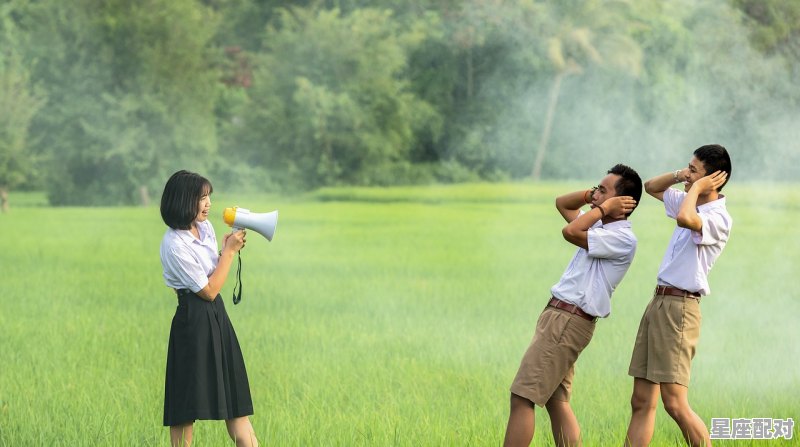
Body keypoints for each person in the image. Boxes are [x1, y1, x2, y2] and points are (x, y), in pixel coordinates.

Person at [503, 164, 643, 447]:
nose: (596, 195)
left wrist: (602, 209)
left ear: (623, 203)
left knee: (523, 396)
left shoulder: (621, 238)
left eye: (604, 190)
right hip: (561, 318)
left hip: (568, 320)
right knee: (557, 402)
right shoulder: (599, 226)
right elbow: (562, 203)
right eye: (597, 188)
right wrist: (595, 196)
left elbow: (570, 231)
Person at [624, 144, 732, 447]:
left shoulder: (717, 217)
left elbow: (685, 219)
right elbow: (651, 187)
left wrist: (695, 188)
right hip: (659, 302)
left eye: (694, 170)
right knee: (641, 400)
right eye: (689, 167)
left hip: (680, 309)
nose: (688, 174)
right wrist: (680, 175)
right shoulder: (691, 199)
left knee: (674, 403)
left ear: (713, 180)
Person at [159, 170, 259, 447]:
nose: (208, 204)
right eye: (202, 198)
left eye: (208, 197)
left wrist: (226, 249)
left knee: (235, 399)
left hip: (217, 316)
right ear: (182, 200)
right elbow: (208, 290)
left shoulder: (205, 229)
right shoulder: (174, 245)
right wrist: (228, 253)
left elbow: (213, 275)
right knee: (185, 407)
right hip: (192, 320)